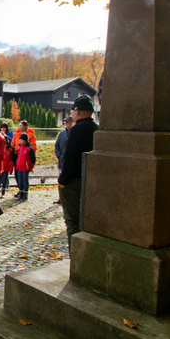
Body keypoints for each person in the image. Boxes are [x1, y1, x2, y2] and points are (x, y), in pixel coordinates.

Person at [59, 95, 99, 249]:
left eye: (73, 110)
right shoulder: (96, 129)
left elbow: (70, 157)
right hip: (90, 179)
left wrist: (63, 180)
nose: (72, 113)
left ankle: (75, 256)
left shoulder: (76, 130)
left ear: (78, 111)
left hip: (73, 181)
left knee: (72, 221)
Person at [54, 115, 73, 205]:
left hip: (70, 161)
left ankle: (66, 198)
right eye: (65, 121)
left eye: (68, 121)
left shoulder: (74, 133)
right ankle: (60, 197)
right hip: (62, 160)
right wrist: (59, 155)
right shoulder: (62, 133)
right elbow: (57, 145)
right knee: (60, 179)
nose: (66, 123)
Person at [13, 133, 37, 201]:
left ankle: (25, 195)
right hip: (19, 167)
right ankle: (20, 194)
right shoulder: (19, 148)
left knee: (25, 181)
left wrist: (30, 167)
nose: (20, 141)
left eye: (22, 139)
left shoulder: (28, 149)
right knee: (20, 181)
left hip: (25, 168)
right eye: (20, 139)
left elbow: (33, 159)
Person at [0, 121, 13, 198]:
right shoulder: (0, 149)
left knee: (4, 179)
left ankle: (3, 191)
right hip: (0, 167)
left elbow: (11, 159)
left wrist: (11, 168)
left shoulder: (9, 150)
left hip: (6, 167)